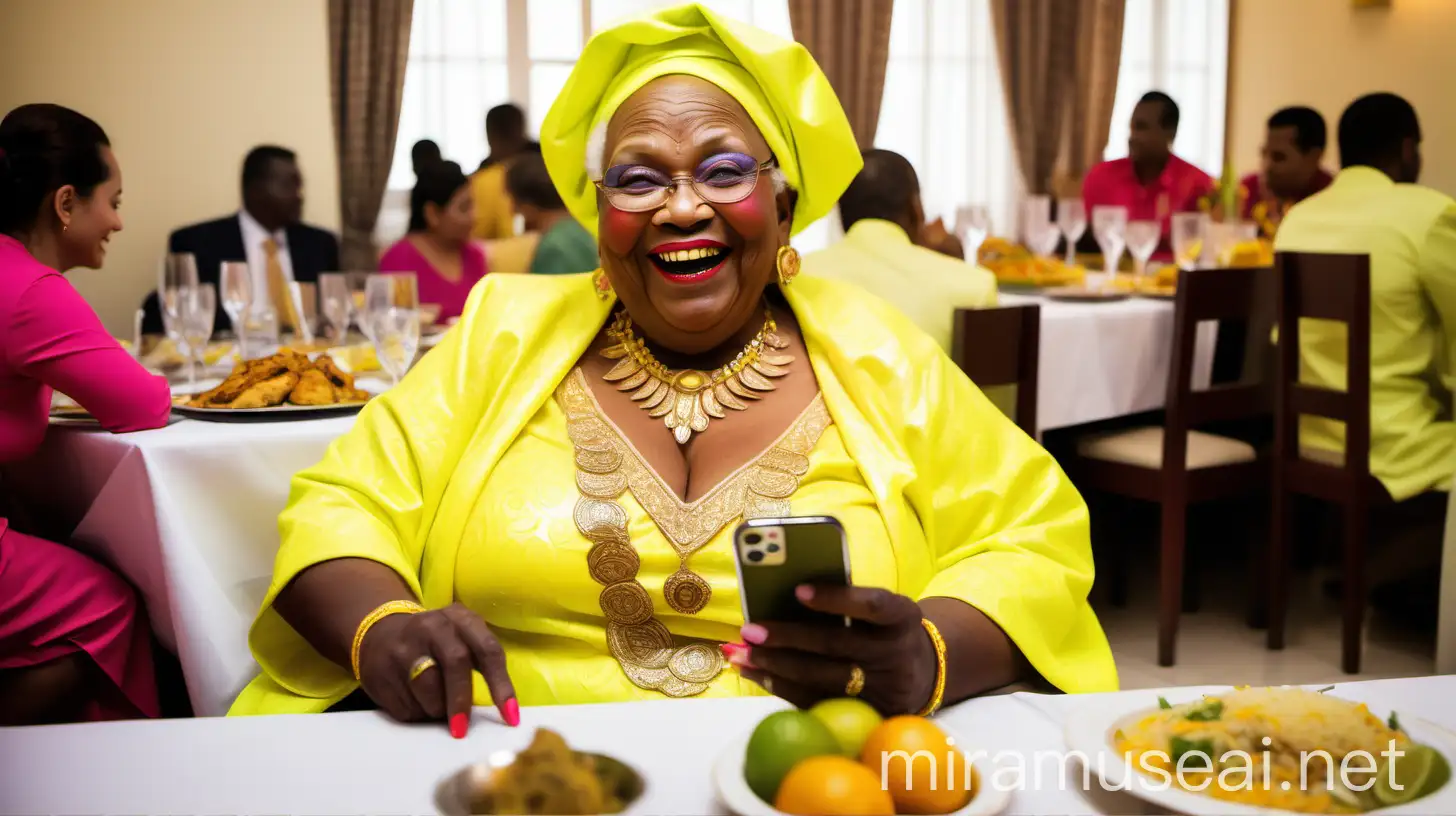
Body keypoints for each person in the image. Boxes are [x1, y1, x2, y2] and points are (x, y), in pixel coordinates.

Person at [230, 4, 1115, 731]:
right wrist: (386, 628)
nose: (682, 207)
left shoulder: (882, 351)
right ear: (599, 212)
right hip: (503, 772)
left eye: (724, 170)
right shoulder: (501, 328)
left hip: (802, 781)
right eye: (639, 179)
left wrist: (927, 654)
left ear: (785, 202)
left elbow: (1033, 536)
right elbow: (344, 502)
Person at [0, 103, 172, 724]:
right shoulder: (30, 289)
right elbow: (142, 403)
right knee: (116, 605)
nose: (119, 221)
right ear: (66, 203)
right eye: (113, 200)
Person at [1275, 92, 1456, 503]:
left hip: (1307, 433)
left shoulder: (1298, 218)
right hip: (1393, 445)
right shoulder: (1430, 214)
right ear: (1408, 148)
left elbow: (1281, 338)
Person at [802, 149, 996, 353]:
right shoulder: (974, 287)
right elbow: (994, 384)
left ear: (841, 215)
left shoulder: (794, 278)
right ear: (916, 209)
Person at [142, 146, 340, 334]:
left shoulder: (320, 243)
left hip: (305, 359)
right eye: (288, 186)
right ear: (254, 190)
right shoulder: (197, 242)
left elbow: (335, 313)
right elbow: (179, 318)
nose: (299, 197)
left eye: (300, 187)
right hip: (230, 362)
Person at [1082, 91, 1214, 256]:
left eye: (1141, 128)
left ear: (1170, 133)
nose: (1132, 137)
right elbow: (1085, 243)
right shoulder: (1100, 178)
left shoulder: (1197, 184)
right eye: (1131, 128)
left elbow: (1202, 252)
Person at [378, 161, 489, 321]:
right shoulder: (399, 259)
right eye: (464, 208)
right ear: (432, 214)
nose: (474, 216)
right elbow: (392, 323)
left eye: (473, 206)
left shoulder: (474, 256)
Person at [1239, 106, 1332, 238]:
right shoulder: (1247, 191)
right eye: (1264, 154)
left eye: (1279, 157)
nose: (1266, 167)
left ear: (1313, 157)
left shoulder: (1331, 198)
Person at [504, 152, 596, 275]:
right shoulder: (586, 228)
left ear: (528, 206)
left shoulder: (554, 248)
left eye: (514, 202)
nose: (513, 210)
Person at [470, 104, 542, 241]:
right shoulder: (547, 172)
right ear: (521, 131)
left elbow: (475, 242)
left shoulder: (483, 182)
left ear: (490, 136)